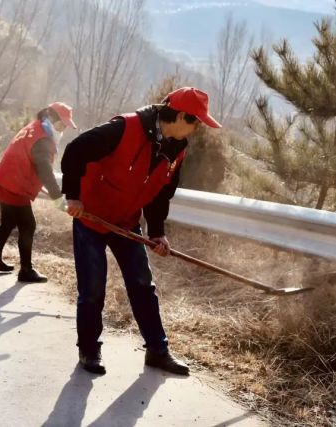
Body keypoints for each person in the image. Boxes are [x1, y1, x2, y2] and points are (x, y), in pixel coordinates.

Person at [60, 87, 222, 376]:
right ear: (182, 116)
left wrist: (157, 231)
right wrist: (73, 196)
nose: (198, 129)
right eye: (196, 122)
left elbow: (162, 192)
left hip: (126, 222)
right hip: (91, 218)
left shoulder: (177, 148)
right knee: (93, 288)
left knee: (143, 286)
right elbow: (75, 151)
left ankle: (157, 351)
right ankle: (89, 350)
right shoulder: (124, 128)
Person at [0, 102, 76, 283]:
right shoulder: (43, 139)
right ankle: (26, 270)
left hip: (6, 179)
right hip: (14, 184)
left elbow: (34, 163)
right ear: (52, 118)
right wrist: (58, 199)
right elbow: (44, 170)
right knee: (28, 225)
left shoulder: (35, 127)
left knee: (8, 223)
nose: (63, 129)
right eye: (62, 124)